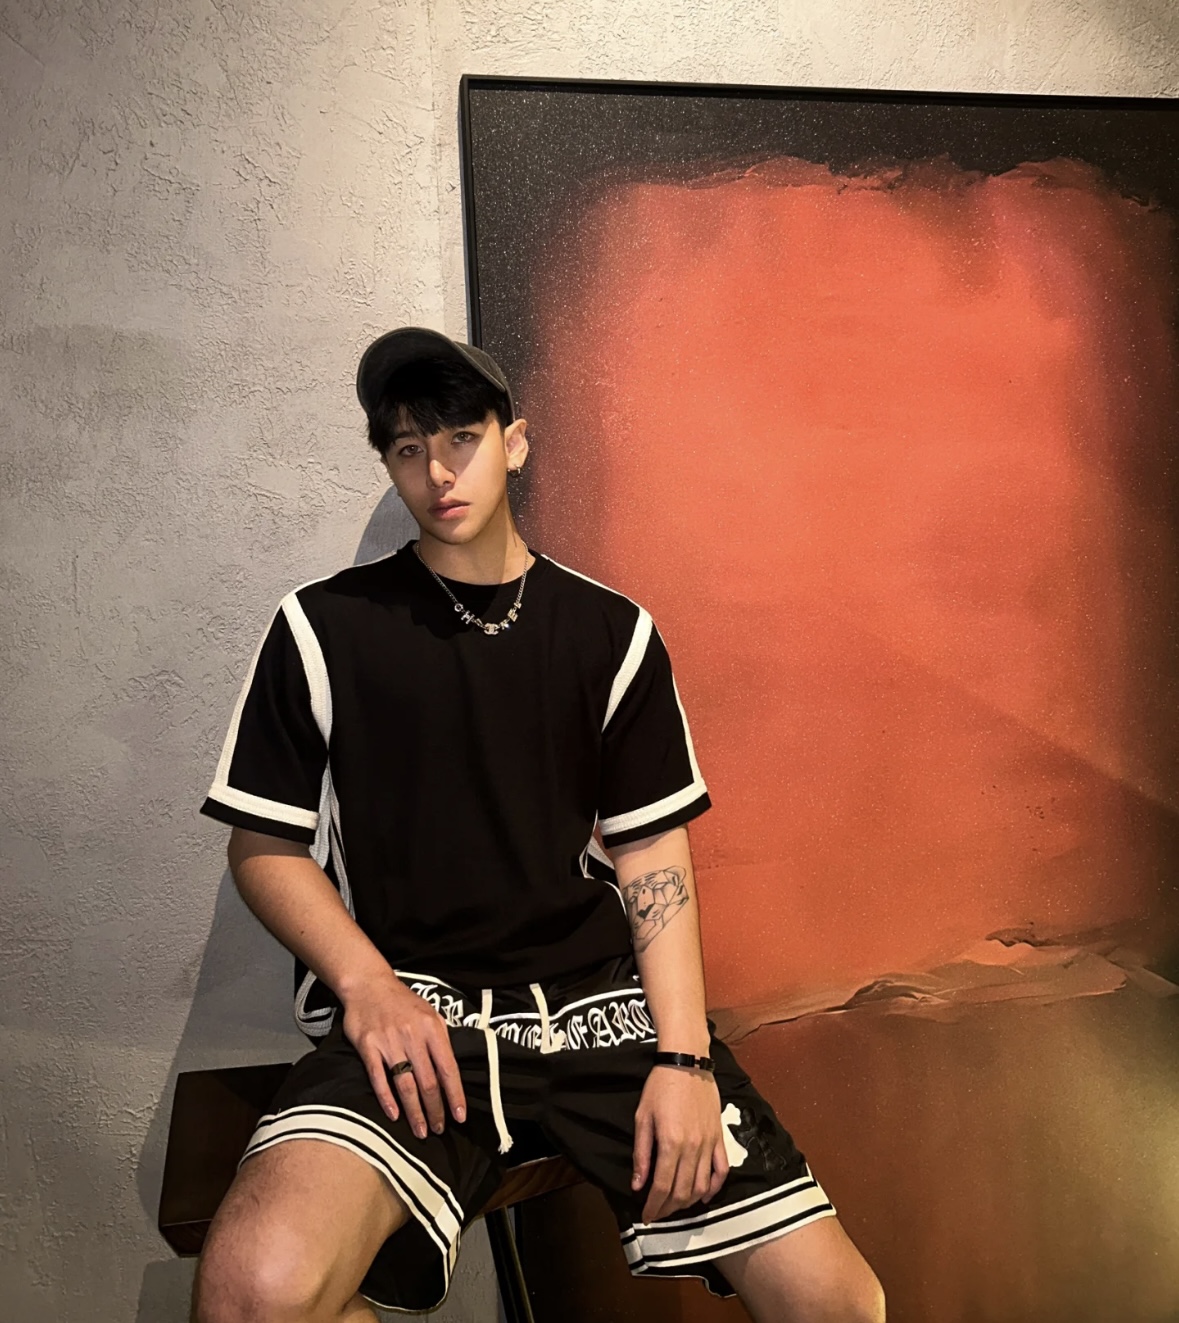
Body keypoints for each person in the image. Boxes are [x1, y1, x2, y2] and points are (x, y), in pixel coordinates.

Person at [193, 327, 885, 1323]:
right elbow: (263, 846)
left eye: (461, 437)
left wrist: (683, 1059)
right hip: (419, 1013)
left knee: (840, 1304)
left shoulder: (611, 633)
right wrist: (368, 987)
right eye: (407, 448)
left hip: (601, 1012)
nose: (438, 472)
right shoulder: (324, 626)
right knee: (254, 1292)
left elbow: (649, 850)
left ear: (513, 442)